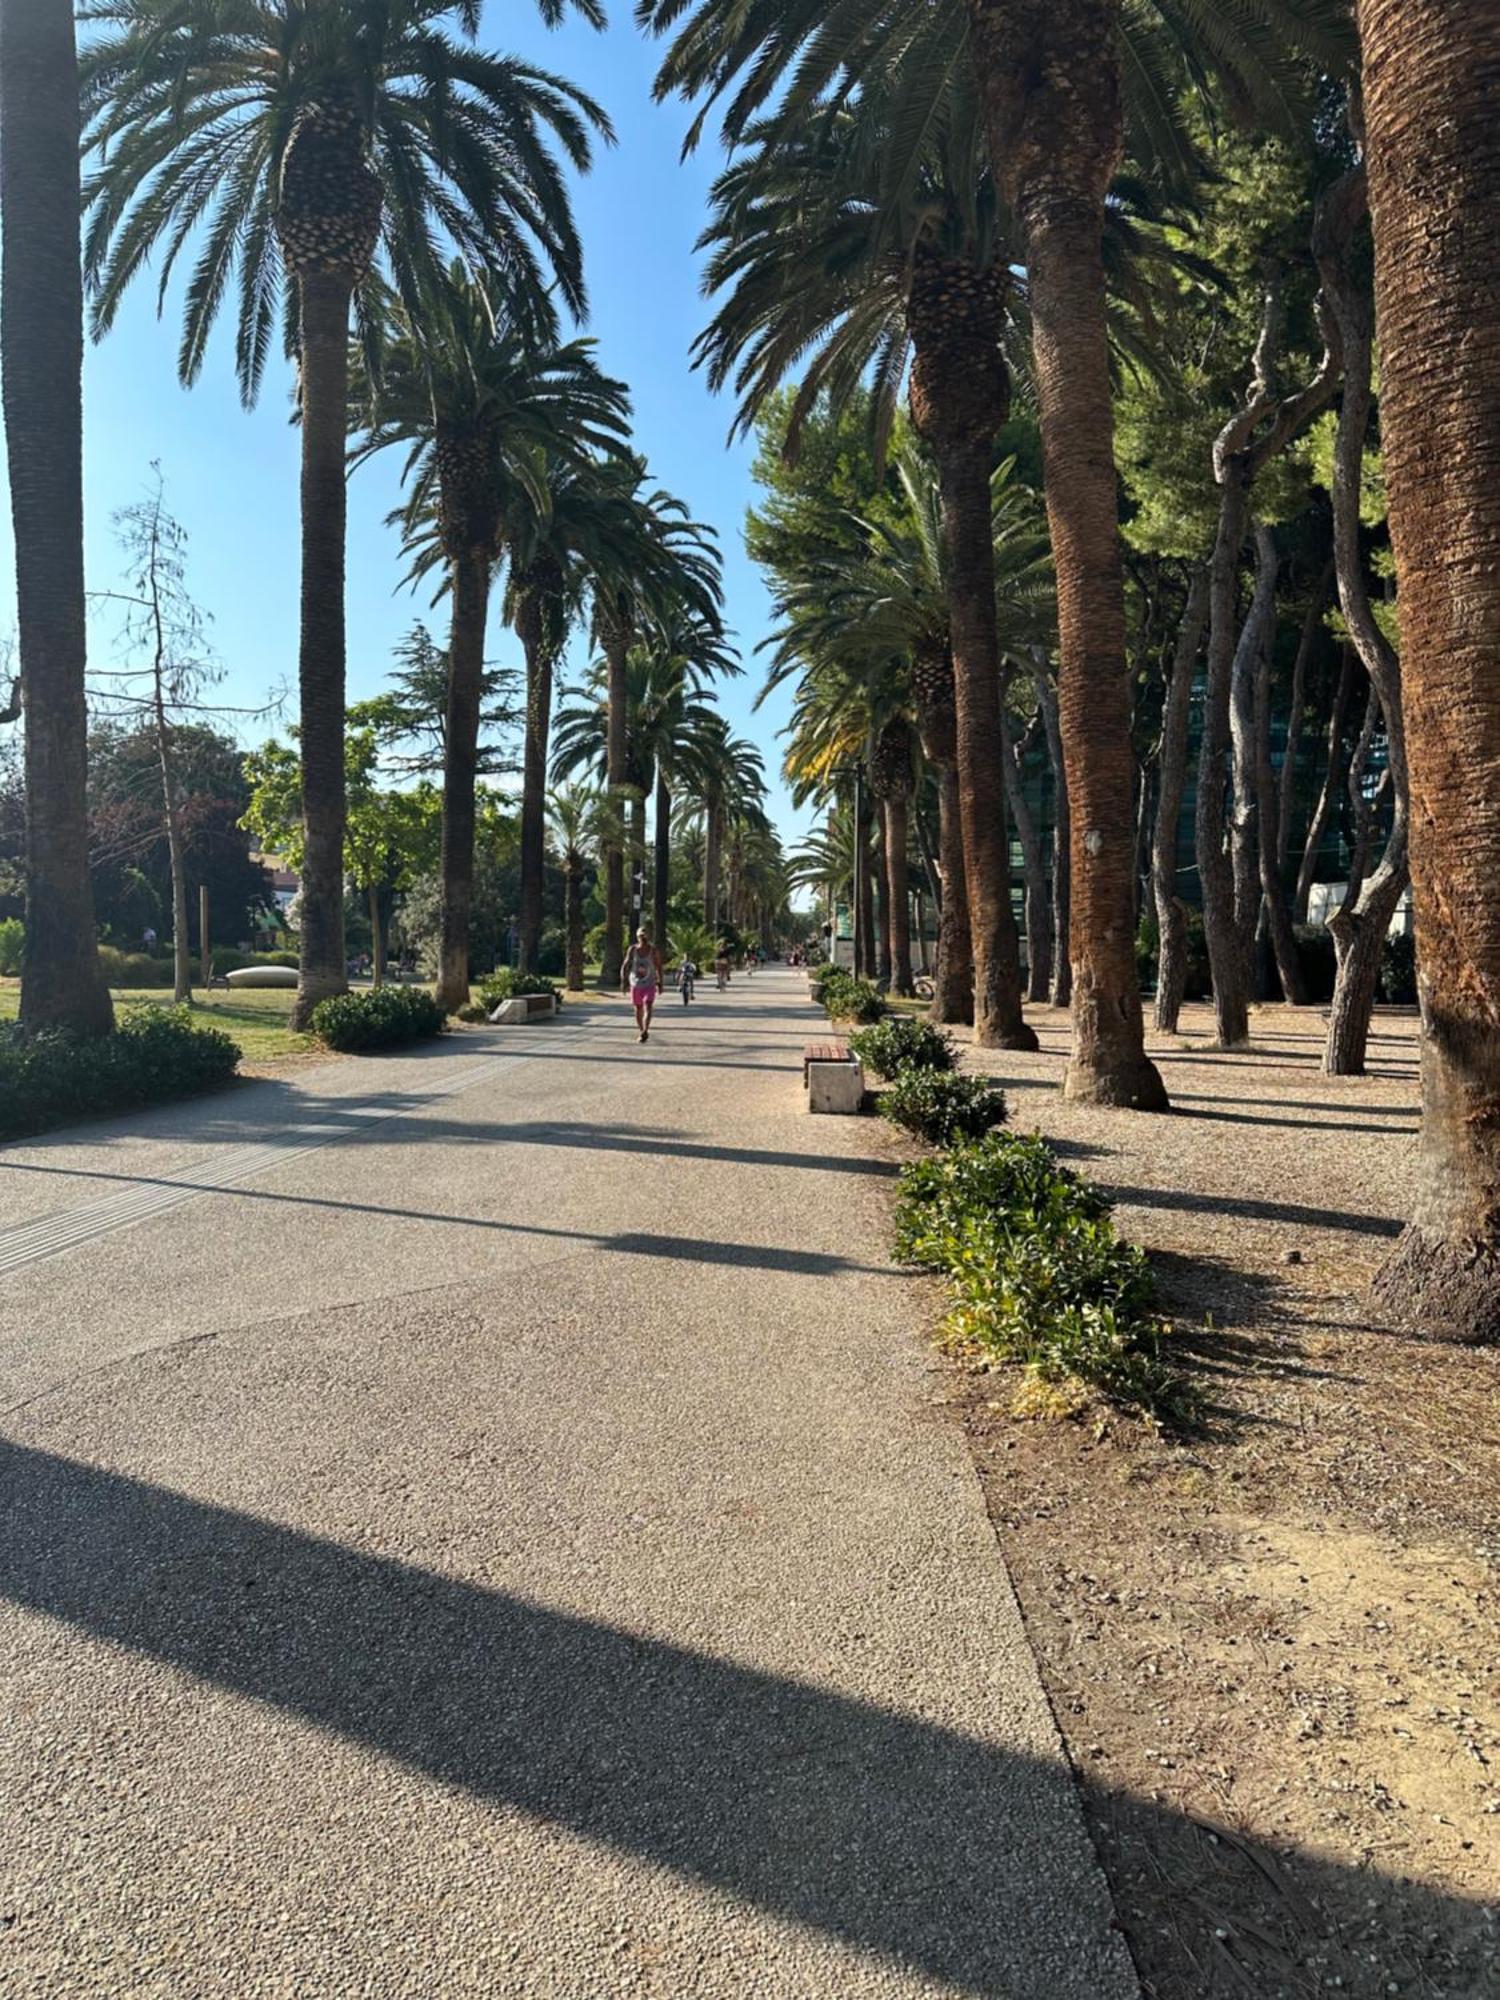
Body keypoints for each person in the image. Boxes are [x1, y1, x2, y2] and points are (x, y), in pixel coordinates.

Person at [623, 927, 663, 1042]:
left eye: (645, 936)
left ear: (648, 937)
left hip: (649, 983)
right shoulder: (632, 950)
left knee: (648, 1006)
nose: (643, 939)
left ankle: (645, 1030)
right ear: (638, 937)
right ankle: (641, 1030)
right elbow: (625, 965)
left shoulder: (653, 950)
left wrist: (660, 983)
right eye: (641, 936)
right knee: (638, 1008)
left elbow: (659, 966)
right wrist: (623, 980)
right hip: (635, 984)